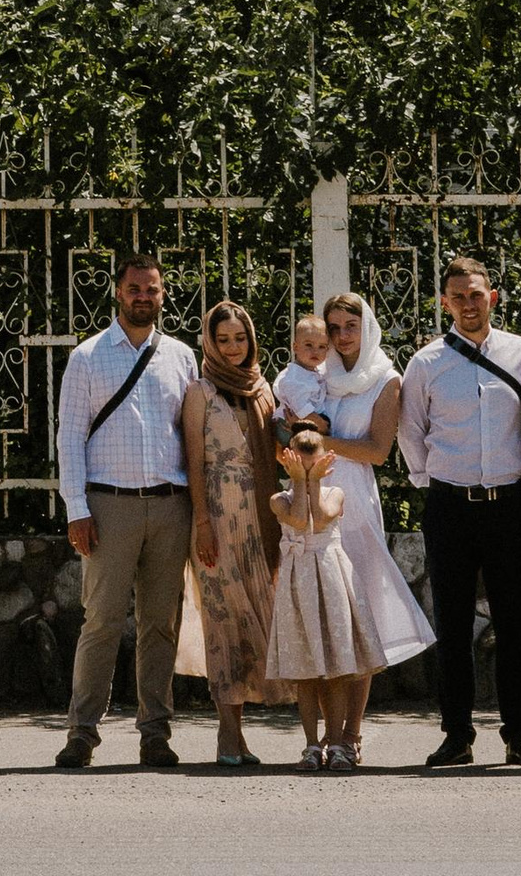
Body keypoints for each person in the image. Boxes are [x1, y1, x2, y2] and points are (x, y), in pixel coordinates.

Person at [397, 253, 521, 769]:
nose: (468, 304)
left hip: (507, 505)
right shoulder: (426, 363)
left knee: (514, 623)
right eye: (457, 297)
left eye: (476, 295)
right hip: (449, 506)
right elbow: (410, 430)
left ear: (493, 298)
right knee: (453, 626)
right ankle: (456, 735)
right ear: (444, 302)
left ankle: (519, 735)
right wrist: (433, 481)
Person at [54, 250, 199, 772]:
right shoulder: (87, 356)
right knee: (101, 622)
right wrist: (76, 508)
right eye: (135, 288)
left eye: (152, 289)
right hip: (107, 505)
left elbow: (192, 438)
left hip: (170, 505)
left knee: (161, 624)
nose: (143, 296)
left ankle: (155, 734)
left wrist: (200, 511)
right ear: (118, 292)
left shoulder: (181, 357)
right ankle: (81, 733)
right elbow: (70, 436)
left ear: (163, 295)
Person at [306, 289, 434, 764]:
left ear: (368, 327)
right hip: (312, 501)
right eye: (333, 328)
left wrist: (320, 441)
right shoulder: (317, 375)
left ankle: (351, 734)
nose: (341, 336)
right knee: (322, 617)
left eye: (350, 326)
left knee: (359, 619)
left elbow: (378, 451)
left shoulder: (386, 379)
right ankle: (325, 734)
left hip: (356, 505)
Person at [180, 300, 282, 769]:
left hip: (259, 519)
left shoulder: (263, 389)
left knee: (255, 618)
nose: (233, 348)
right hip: (217, 518)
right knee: (221, 620)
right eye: (223, 340)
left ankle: (242, 733)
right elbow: (193, 461)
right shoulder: (200, 391)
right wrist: (203, 522)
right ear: (210, 343)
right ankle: (227, 731)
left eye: (240, 338)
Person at [260, 423, 384, 768]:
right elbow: (300, 521)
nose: (307, 472)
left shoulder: (335, 493)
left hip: (331, 581)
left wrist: (312, 482)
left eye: (313, 466)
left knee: (337, 665)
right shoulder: (280, 499)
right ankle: (312, 745)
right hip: (299, 586)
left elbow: (322, 516)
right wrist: (300, 481)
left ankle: (339, 742)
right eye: (301, 466)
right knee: (306, 670)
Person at [273, 310, 332, 425]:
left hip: (309, 420)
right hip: (289, 423)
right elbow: (301, 408)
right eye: (309, 345)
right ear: (295, 347)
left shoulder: (318, 372)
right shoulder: (293, 376)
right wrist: (322, 425)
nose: (315, 351)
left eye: (321, 347)